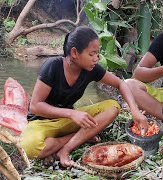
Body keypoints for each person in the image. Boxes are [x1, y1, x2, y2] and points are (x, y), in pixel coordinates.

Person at [21, 26, 149, 167]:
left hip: (68, 121)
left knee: (113, 107)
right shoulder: (53, 66)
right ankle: (83, 137)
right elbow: (35, 106)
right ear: (74, 52)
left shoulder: (91, 69)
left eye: (97, 53)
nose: (96, 58)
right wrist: (71, 113)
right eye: (91, 54)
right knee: (29, 147)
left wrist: (134, 110)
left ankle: (66, 148)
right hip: (42, 123)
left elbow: (121, 84)